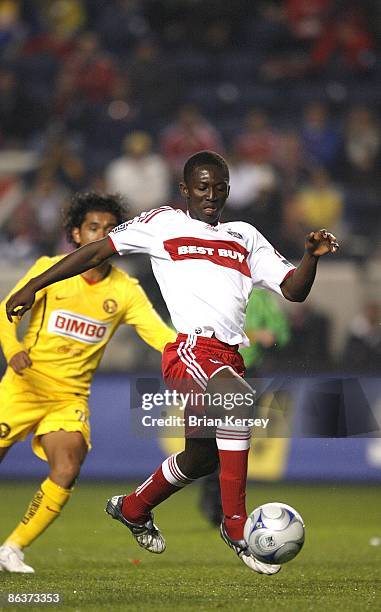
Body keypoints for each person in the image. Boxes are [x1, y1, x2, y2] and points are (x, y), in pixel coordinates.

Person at [5, 151, 339, 576]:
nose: (211, 195)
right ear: (185, 189)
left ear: (229, 190)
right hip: (190, 350)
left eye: (219, 187)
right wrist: (35, 284)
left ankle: (132, 507)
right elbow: (94, 253)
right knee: (236, 403)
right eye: (202, 187)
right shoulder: (162, 223)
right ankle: (236, 528)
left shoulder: (245, 236)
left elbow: (293, 291)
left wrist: (310, 257)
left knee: (202, 458)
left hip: (229, 358)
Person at [0, 192, 175, 573]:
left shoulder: (125, 290)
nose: (101, 234)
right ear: (76, 234)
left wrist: (191, 350)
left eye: (110, 229)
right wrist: (13, 349)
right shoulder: (50, 269)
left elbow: (158, 335)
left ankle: (12, 548)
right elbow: (7, 309)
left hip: (68, 397)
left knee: (67, 466)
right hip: (23, 386)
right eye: (93, 227)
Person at [200, 288, 290, 526]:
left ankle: (223, 505)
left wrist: (269, 335)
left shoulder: (259, 296)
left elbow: (281, 333)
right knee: (218, 439)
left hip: (249, 375)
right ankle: (215, 503)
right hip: (215, 372)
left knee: (236, 439)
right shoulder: (209, 287)